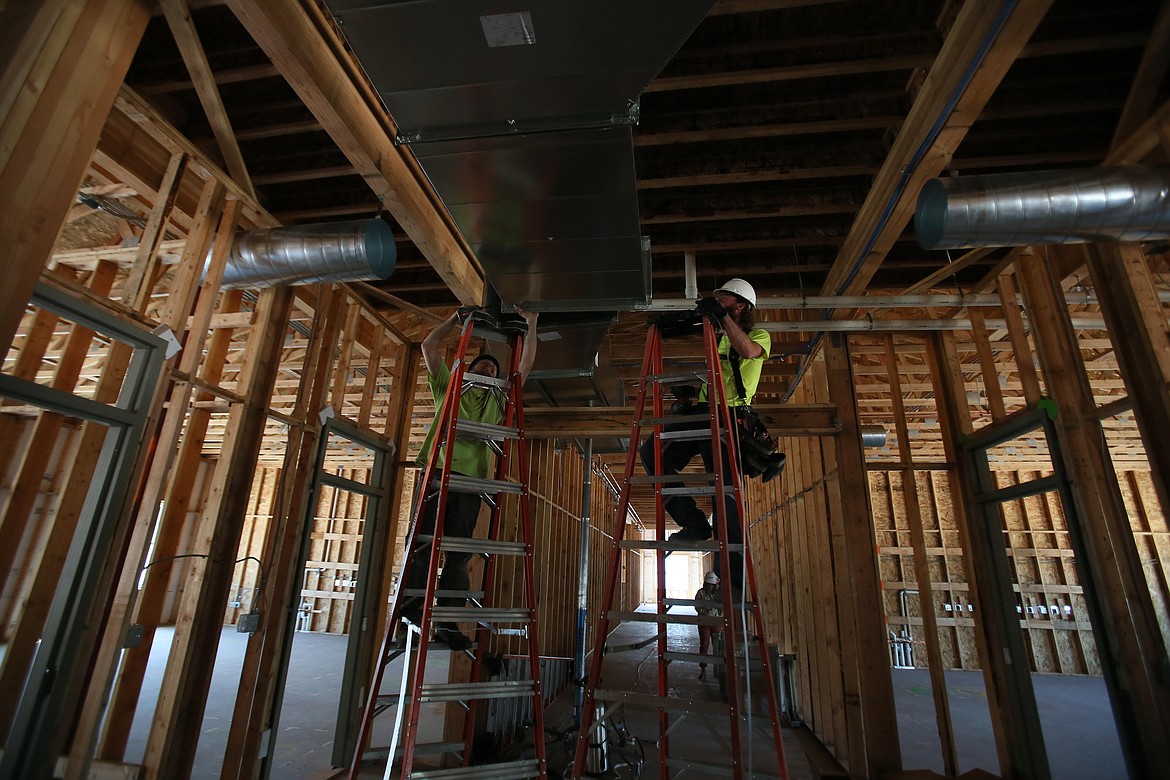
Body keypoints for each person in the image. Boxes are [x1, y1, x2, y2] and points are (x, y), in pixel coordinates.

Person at [399, 307, 539, 651]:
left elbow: (525, 367)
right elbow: (428, 347)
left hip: (473, 481)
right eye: (482, 365)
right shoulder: (449, 386)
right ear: (470, 369)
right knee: (420, 547)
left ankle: (447, 622)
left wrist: (532, 324)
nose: (489, 367)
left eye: (493, 367)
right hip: (436, 474)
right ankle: (409, 621)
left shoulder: (498, 396)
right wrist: (452, 320)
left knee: (459, 554)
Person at [639, 278, 770, 590]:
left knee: (726, 498)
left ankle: (731, 582)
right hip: (703, 412)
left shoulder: (756, 334)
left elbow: (748, 351)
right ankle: (694, 522)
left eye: (723, 298)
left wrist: (720, 317)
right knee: (651, 454)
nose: (717, 300)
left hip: (729, 418)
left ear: (740, 305)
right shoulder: (719, 336)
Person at [695, 571, 722, 680]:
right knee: (704, 646)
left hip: (717, 622)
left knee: (719, 646)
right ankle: (703, 670)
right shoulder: (701, 593)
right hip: (704, 622)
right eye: (708, 584)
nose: (710, 587)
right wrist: (704, 610)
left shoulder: (719, 593)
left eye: (712, 585)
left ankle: (720, 671)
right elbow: (696, 606)